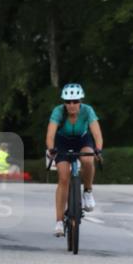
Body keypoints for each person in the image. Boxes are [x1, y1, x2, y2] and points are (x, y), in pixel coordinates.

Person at [45, 83, 103, 237]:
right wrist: (51, 149)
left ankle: (88, 191)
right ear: (64, 102)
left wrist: (98, 149)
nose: (72, 105)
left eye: (75, 101)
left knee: (88, 160)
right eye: (68, 102)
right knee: (63, 178)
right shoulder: (58, 111)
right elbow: (50, 134)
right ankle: (58, 222)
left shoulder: (87, 110)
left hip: (82, 140)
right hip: (62, 142)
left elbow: (96, 133)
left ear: (81, 101)